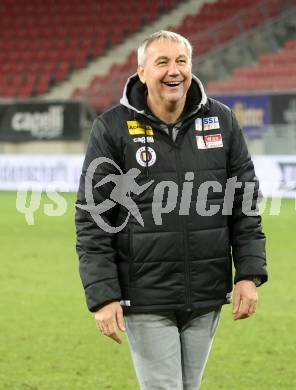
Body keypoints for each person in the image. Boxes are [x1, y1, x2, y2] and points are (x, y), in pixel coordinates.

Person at [75, 30, 267, 390]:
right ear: (142, 72)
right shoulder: (112, 128)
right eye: (162, 62)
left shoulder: (222, 121)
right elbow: (93, 219)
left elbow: (245, 206)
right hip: (146, 294)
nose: (173, 70)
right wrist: (103, 296)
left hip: (205, 293)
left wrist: (248, 274)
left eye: (181, 61)